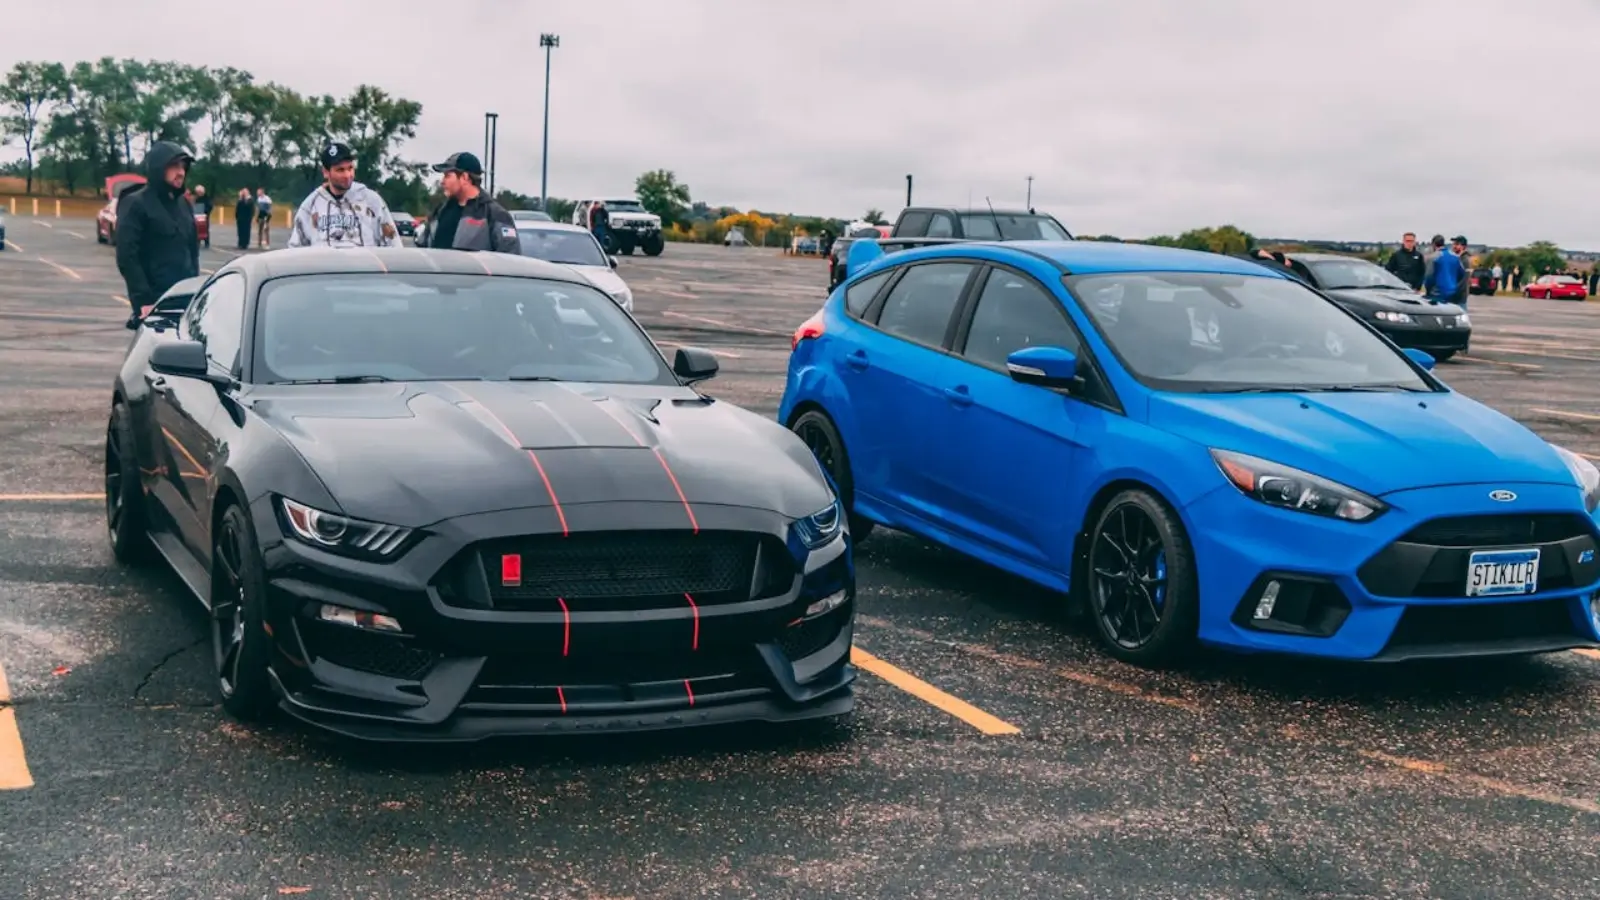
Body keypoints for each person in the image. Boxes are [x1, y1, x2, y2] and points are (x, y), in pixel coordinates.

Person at [114, 141, 199, 323]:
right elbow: (127, 256)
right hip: (154, 302)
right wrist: (142, 301)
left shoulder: (184, 205)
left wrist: (196, 290)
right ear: (159, 168)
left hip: (185, 298)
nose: (181, 172)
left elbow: (192, 251)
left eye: (183, 167)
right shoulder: (136, 204)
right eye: (174, 166)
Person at [287, 141, 401, 249]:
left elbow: (393, 245)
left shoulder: (371, 201)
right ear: (326, 172)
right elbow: (295, 251)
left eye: (350, 168)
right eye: (340, 170)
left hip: (364, 268)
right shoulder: (310, 206)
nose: (347, 175)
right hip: (325, 268)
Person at [419, 151, 520, 253]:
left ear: (464, 177)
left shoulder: (495, 214)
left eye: (447, 176)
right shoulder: (440, 211)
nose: (442, 181)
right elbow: (423, 250)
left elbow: (509, 258)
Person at [1424, 234, 1466, 305]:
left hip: (1437, 294)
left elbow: (1429, 277)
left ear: (1433, 245)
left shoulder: (1432, 258)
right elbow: (1462, 274)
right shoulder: (1455, 257)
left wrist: (1428, 291)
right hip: (1452, 293)